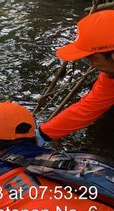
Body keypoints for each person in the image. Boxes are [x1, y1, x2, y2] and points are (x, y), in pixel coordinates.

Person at [38, 10, 114, 144]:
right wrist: (41, 135)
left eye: (93, 58)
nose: (93, 66)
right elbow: (86, 108)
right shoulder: (110, 76)